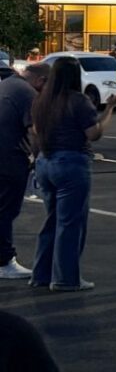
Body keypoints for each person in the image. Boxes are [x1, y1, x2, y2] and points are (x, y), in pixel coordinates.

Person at [30, 56, 116, 291]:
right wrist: (109, 109)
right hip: (71, 162)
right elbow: (93, 134)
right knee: (70, 224)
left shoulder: (41, 100)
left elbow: (36, 132)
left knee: (52, 220)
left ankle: (41, 274)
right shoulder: (78, 101)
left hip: (45, 161)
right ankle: (65, 278)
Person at [0, 63, 49, 279]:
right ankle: (4, 261)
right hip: (10, 158)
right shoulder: (28, 93)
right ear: (41, 81)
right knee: (6, 210)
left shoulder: (8, 84)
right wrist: (38, 157)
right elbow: (35, 131)